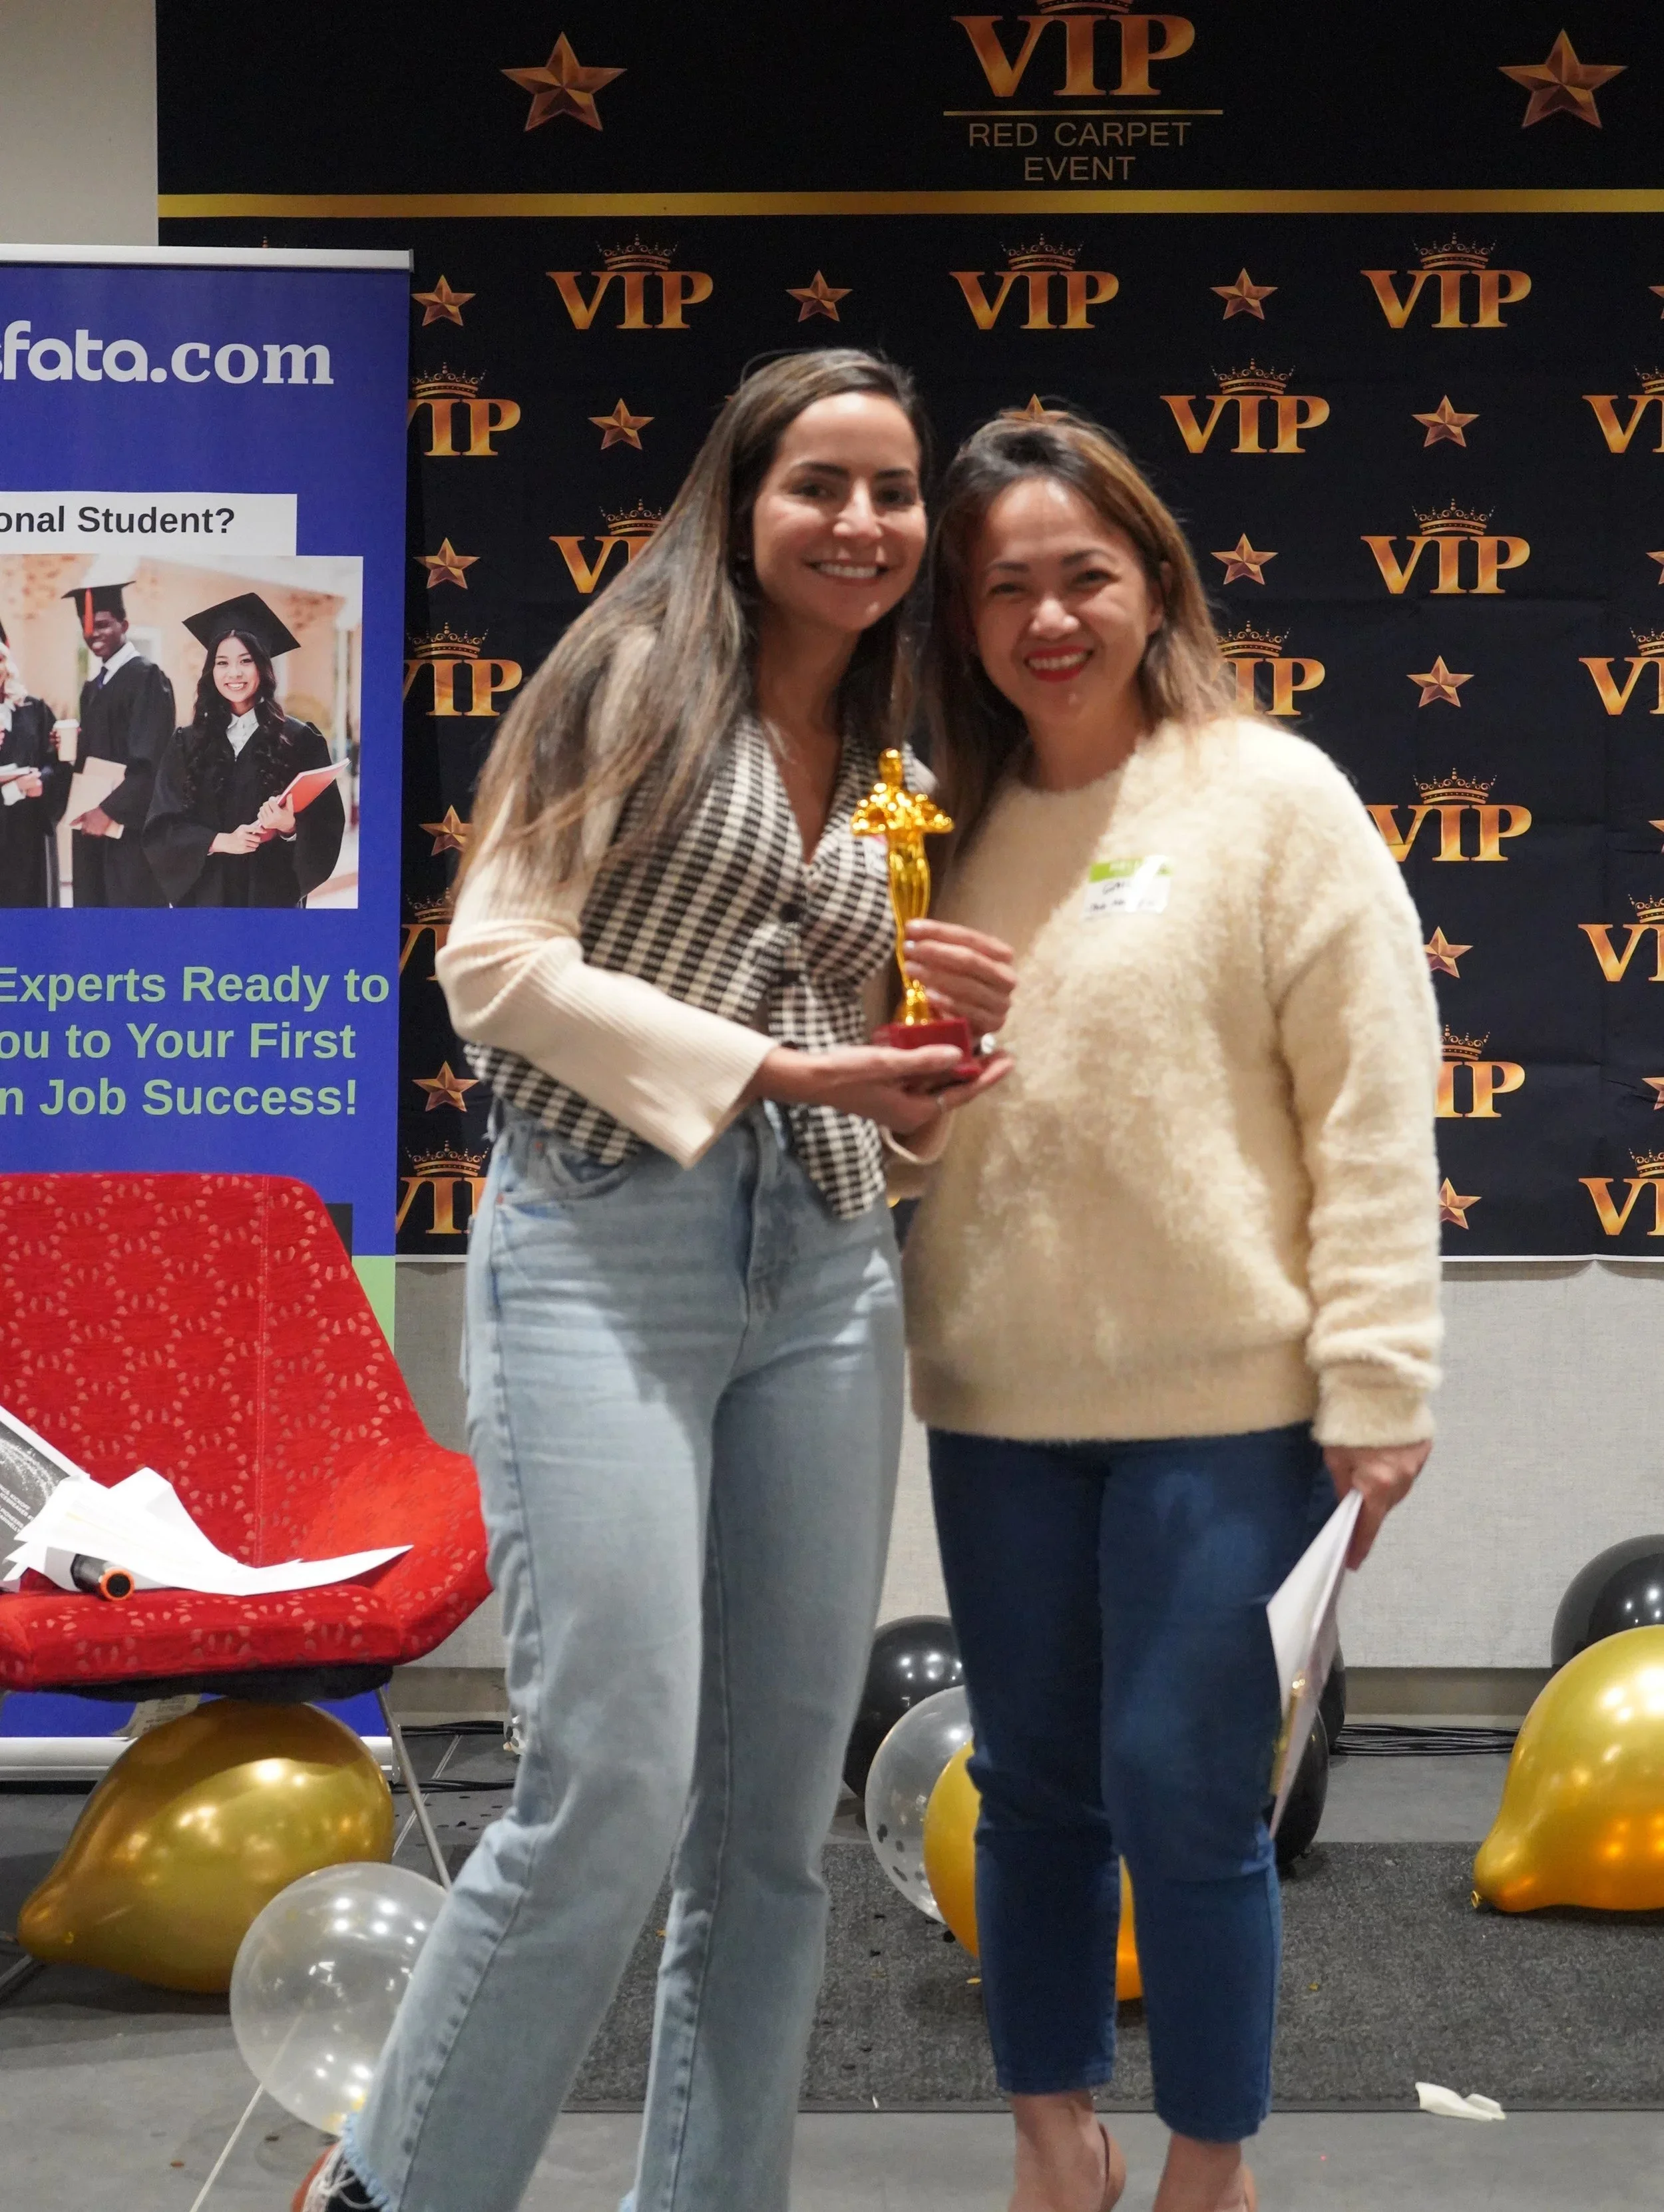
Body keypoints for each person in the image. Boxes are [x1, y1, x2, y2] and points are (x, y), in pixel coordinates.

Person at [294, 349, 1016, 2212]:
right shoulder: (620, 683)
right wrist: (778, 1066)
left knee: (768, 1833)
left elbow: (849, 1034)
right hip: (605, 1250)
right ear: (739, 502)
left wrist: (923, 1068)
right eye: (820, 486)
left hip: (828, 1270)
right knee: (608, 1781)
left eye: (892, 492)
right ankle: (397, 2186)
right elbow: (497, 966)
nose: (862, 524)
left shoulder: (892, 756)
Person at [893, 409, 1442, 2212]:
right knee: (1036, 1783)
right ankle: (1054, 2134)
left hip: (1232, 1403)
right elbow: (885, 1145)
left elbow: (1369, 1104)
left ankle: (1213, 2159)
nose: (1046, 619)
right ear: (961, 619)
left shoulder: (1269, 796)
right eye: (1003, 590)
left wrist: (1377, 1381)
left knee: (1183, 1790)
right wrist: (911, 1070)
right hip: (997, 1398)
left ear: (1150, 582)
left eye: (1081, 577)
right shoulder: (928, 831)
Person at [144, 592, 345, 907]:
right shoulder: (186, 741)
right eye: (222, 663)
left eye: (245, 661)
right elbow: (162, 826)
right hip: (205, 899)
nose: (234, 674)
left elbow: (327, 825)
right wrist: (220, 841)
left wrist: (289, 827)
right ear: (211, 671)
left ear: (263, 667)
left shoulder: (299, 739)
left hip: (271, 897)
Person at [61, 568, 174, 907]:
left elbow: (151, 761)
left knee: (129, 923)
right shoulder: (93, 687)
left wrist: (109, 810)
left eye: (103, 624)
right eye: (86, 626)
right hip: (92, 827)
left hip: (128, 830)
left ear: (125, 626)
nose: (93, 634)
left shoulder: (148, 678)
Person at [0, 621, 70, 907]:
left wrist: (42, 782)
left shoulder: (34, 710)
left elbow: (56, 765)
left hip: (27, 843)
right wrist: (11, 790)